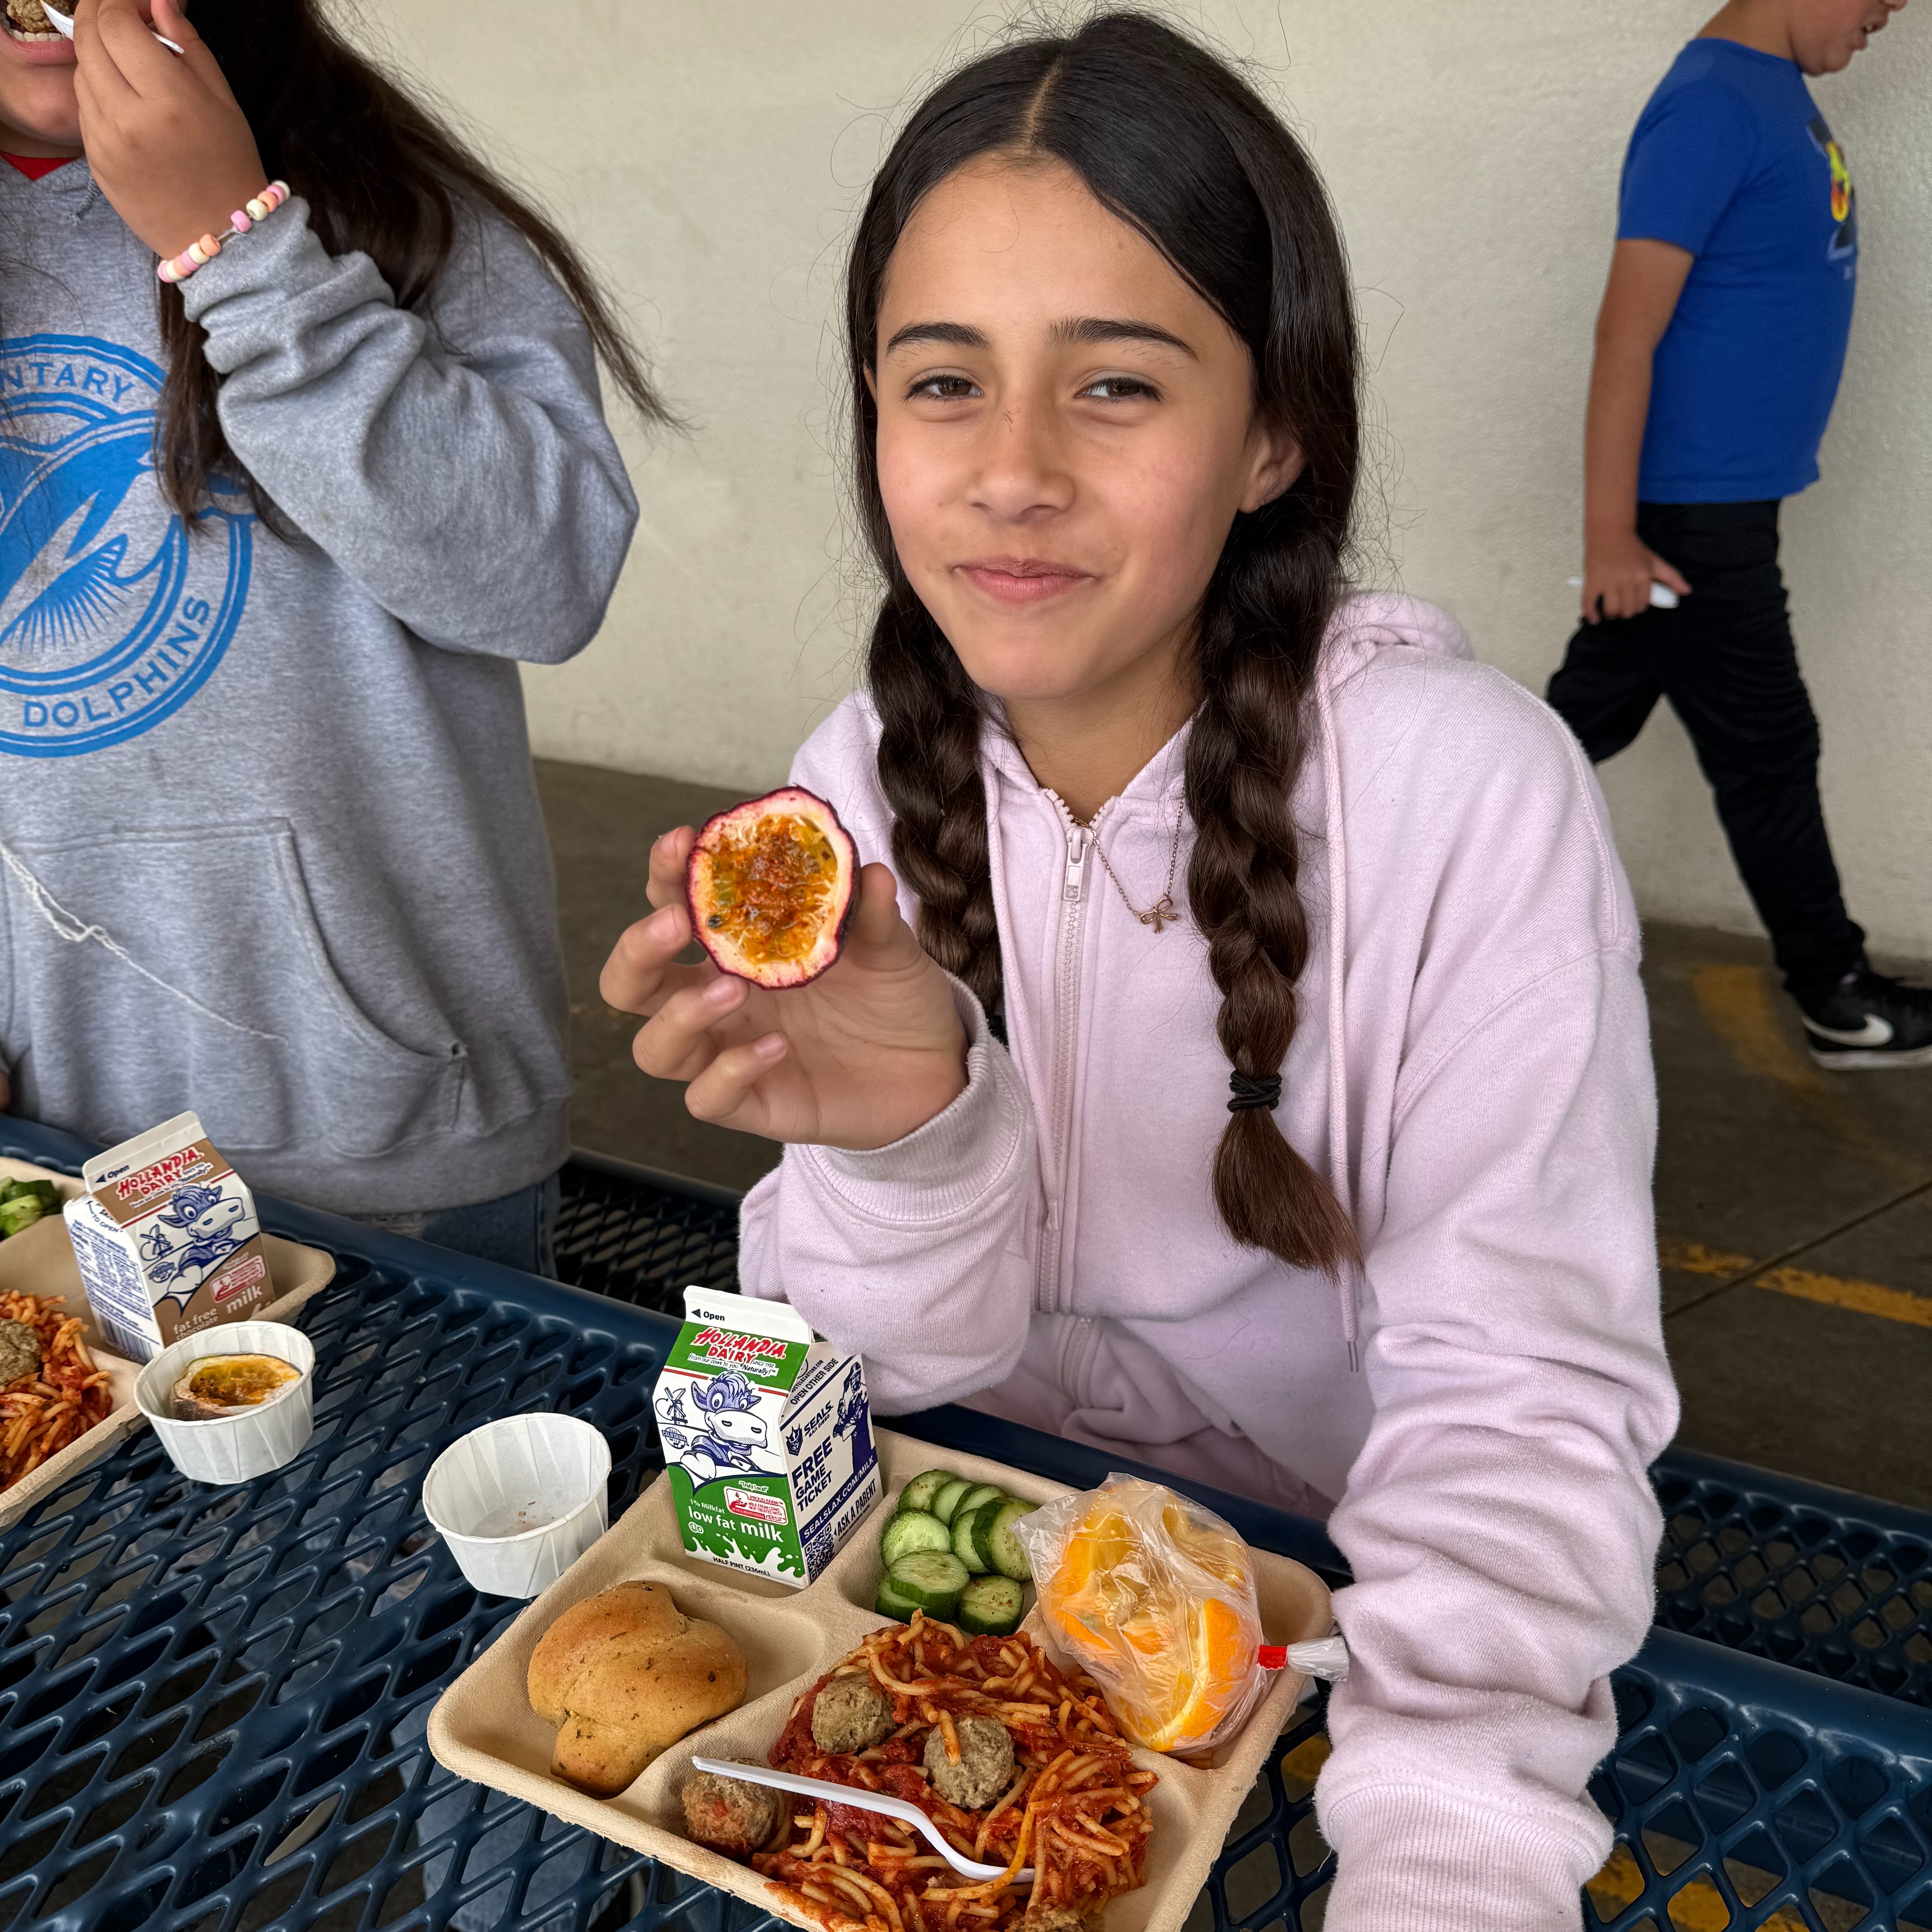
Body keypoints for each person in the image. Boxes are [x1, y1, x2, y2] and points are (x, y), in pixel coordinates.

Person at [603, 16, 1677, 1927]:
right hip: (947, 1604)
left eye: (1115, 386)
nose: (1011, 473)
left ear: (1276, 432)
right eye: (943, 382)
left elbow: (1514, 1419)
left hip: (1316, 1617)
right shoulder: (851, 782)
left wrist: (1440, 1874)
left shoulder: (1462, 793)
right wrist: (914, 1146)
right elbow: (865, 1379)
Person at [0, 0, 658, 1269]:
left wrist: (238, 247)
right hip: (42, 1152)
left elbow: (549, 578)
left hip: (383, 1150)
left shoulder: (400, 213)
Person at [1548, 0, 1927, 1069]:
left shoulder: (1774, 96)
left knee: (1565, 733)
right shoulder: (1713, 105)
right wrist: (1612, 533)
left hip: (1715, 505)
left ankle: (1341, 886)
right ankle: (1836, 995)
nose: (1892, 12)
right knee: (1768, 752)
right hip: (1688, 518)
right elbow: (1627, 331)